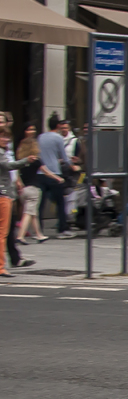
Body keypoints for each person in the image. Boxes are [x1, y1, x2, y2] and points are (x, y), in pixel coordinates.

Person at [0, 128, 36, 277]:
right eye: (3, 137)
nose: (6, 140)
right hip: (3, 195)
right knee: (3, 233)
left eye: (7, 137)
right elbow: (8, 166)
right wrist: (25, 161)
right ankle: (1, 267)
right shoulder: (1, 154)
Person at [37, 115, 73, 238]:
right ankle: (62, 230)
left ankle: (39, 230)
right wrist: (70, 164)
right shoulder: (58, 138)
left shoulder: (40, 137)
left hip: (41, 172)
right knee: (60, 201)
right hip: (54, 173)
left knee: (40, 204)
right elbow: (63, 155)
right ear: (58, 126)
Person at [14, 123, 47, 244]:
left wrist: (19, 183)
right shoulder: (36, 160)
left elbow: (16, 171)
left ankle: (39, 235)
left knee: (33, 213)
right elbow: (46, 171)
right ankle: (20, 236)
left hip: (23, 189)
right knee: (29, 212)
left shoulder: (20, 160)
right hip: (33, 189)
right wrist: (58, 178)